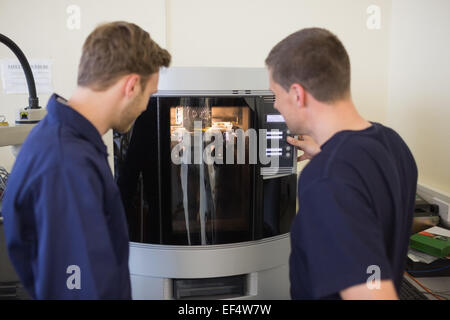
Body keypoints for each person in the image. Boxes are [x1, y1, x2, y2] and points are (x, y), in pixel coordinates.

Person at [2, 21, 171, 299]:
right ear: (131, 86)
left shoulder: (61, 139)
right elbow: (80, 289)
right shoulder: (67, 164)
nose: (144, 107)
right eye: (149, 96)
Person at [265, 28, 417, 300]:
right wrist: (328, 156)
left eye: (275, 94)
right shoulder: (394, 144)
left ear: (298, 94)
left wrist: (330, 167)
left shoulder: (327, 178)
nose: (275, 105)